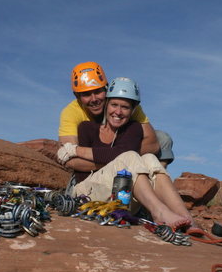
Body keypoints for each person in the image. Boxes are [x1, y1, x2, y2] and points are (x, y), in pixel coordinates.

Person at [57, 77, 192, 229]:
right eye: (114, 105)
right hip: (88, 194)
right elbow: (73, 164)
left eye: (125, 107)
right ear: (106, 104)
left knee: (147, 157)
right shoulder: (85, 127)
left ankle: (187, 218)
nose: (118, 112)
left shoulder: (133, 128)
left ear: (133, 110)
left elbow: (134, 149)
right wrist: (118, 161)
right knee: (130, 156)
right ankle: (158, 211)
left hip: (120, 195)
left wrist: (75, 150)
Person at [59, 61, 163, 161]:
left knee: (163, 138)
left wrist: (114, 155)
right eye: (86, 94)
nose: (94, 99)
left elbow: (153, 144)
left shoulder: (125, 104)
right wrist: (114, 160)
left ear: (106, 89)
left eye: (98, 91)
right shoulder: (70, 112)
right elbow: (69, 156)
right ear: (77, 96)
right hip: (95, 159)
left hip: (119, 147)